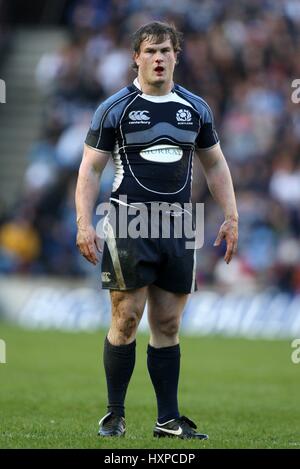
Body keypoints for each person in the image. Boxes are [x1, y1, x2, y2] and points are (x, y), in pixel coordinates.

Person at [75, 21, 238, 439]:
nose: (159, 58)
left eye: (165, 50)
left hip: (181, 223)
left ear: (177, 56)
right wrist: (83, 223)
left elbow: (215, 163)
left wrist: (231, 215)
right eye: (150, 51)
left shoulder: (195, 108)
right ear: (136, 57)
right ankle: (114, 414)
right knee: (126, 317)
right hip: (130, 220)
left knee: (167, 324)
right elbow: (90, 169)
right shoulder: (115, 108)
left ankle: (168, 421)